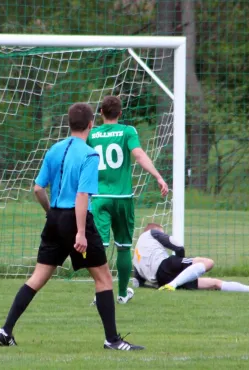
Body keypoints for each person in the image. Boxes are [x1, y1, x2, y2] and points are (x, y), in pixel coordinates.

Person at [0, 103, 144, 351]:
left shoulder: (54, 149)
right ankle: (112, 340)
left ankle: (5, 330)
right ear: (91, 124)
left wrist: (51, 214)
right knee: (104, 278)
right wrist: (81, 232)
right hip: (77, 219)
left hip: (55, 219)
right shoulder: (89, 154)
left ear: (69, 123)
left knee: (37, 278)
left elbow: (38, 188)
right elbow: (83, 195)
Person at [86, 96, 168, 304]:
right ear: (120, 114)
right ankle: (122, 294)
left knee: (100, 246)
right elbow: (139, 155)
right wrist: (158, 176)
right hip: (122, 198)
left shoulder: (92, 134)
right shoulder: (127, 131)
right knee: (123, 246)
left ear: (101, 113)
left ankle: (101, 294)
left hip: (100, 197)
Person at [133, 223, 249, 293]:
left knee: (214, 283)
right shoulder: (152, 233)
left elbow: (137, 284)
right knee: (208, 262)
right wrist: (179, 264)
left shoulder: (135, 258)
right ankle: (174, 284)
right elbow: (179, 247)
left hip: (161, 281)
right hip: (166, 267)